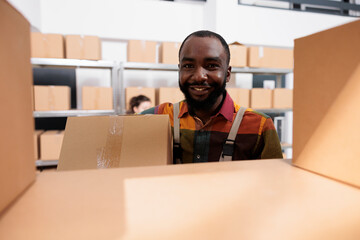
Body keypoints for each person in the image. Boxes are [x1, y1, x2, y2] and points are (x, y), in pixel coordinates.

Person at [141, 30, 283, 163]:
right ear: (180, 70)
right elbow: (120, 132)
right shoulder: (159, 117)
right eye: (189, 66)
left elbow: (274, 185)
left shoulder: (259, 126)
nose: (199, 76)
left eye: (211, 66)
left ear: (227, 74)